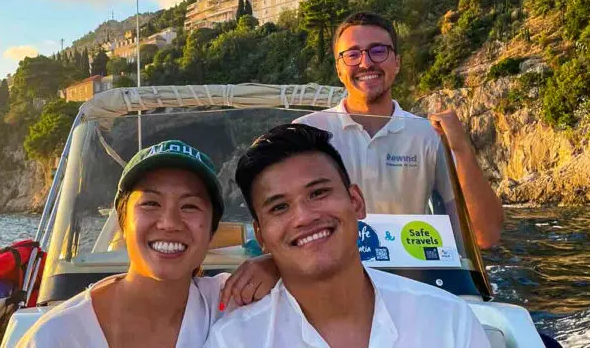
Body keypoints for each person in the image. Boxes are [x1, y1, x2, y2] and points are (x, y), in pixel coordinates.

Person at [205, 124, 490, 348]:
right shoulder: (234, 341)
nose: (304, 216)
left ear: (356, 201)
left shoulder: (447, 319)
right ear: (261, 235)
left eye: (318, 192)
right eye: (280, 207)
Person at [18, 140, 279, 347]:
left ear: (211, 231)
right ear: (123, 222)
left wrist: (277, 265)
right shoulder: (56, 337)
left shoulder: (232, 302)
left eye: (189, 206)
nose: (169, 223)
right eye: (151, 203)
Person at [295, 11, 503, 249]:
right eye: (352, 54)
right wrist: (268, 262)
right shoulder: (305, 133)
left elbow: (485, 236)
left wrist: (463, 149)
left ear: (397, 63)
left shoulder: (429, 136)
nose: (366, 62)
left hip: (410, 280)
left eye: (378, 50)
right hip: (330, 278)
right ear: (339, 69)